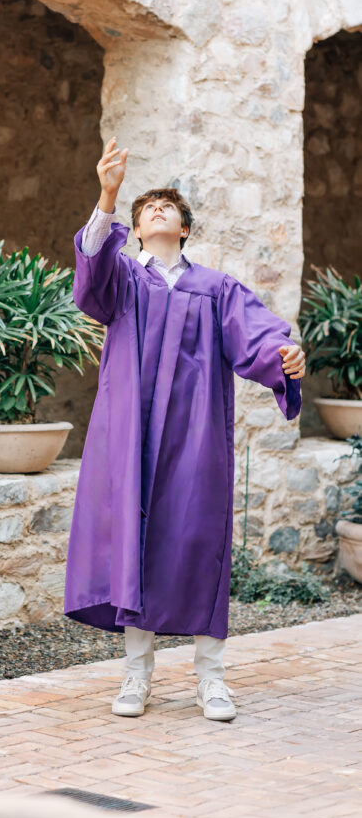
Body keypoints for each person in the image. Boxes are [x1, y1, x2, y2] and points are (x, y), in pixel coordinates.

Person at [63, 137, 306, 722]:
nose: (158, 212)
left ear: (184, 230)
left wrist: (285, 356)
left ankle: (212, 679)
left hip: (196, 435)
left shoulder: (216, 288)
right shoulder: (122, 280)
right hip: (131, 434)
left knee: (199, 541)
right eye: (147, 209)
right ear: (137, 230)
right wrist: (108, 194)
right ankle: (135, 676)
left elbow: (258, 335)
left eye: (168, 207)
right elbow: (89, 277)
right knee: (135, 546)